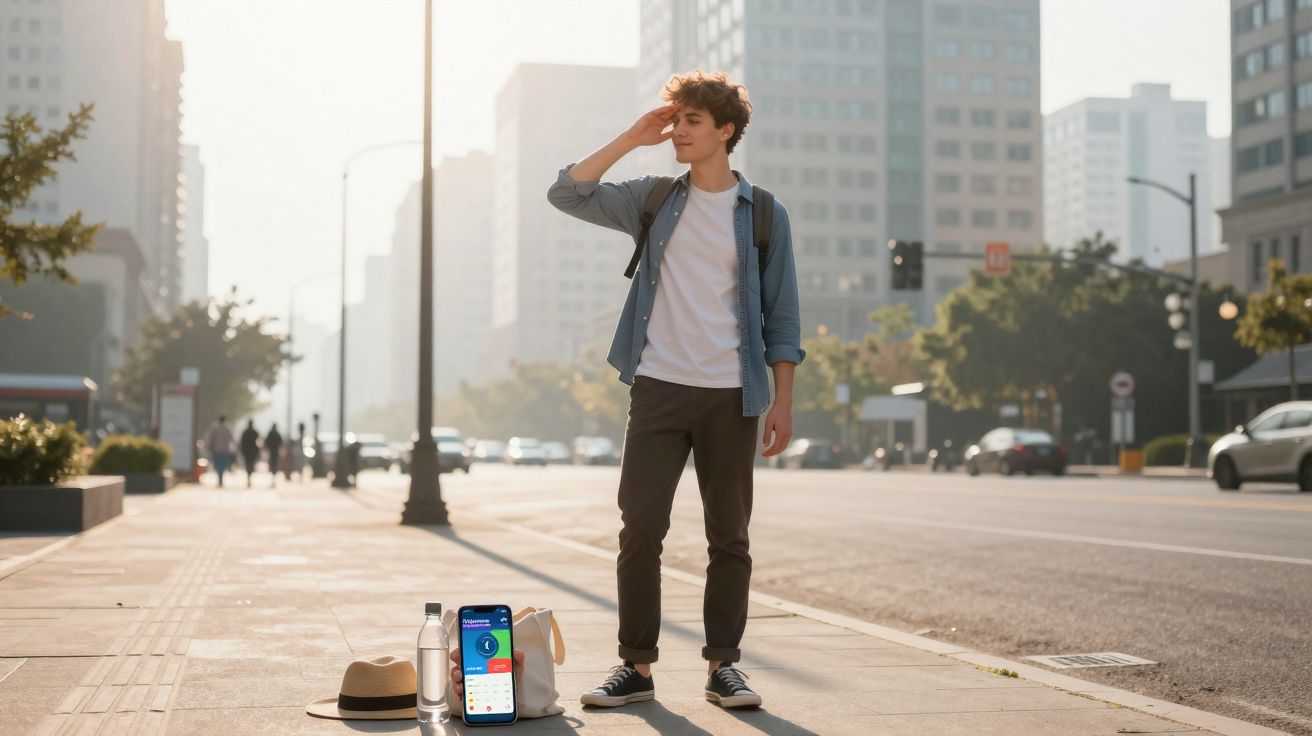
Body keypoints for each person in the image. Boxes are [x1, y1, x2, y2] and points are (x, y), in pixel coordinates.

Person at [546, 70, 803, 710]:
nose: (677, 132)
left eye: (691, 122)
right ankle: (636, 667)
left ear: (726, 131)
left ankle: (723, 669)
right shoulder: (654, 199)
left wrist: (782, 399)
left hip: (730, 395)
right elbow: (567, 194)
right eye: (674, 120)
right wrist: (632, 137)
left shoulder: (765, 213)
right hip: (659, 388)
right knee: (639, 529)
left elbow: (784, 315)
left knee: (729, 537)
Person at [206, 416, 236, 488]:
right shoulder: (227, 429)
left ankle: (219, 477)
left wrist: (210, 447)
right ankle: (221, 477)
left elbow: (211, 439)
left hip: (216, 450)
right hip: (225, 450)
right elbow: (231, 439)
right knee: (223, 465)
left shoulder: (215, 429)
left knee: (217, 465)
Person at [240, 420, 260, 488]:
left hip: (246, 451)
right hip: (253, 451)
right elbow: (258, 443)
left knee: (247, 464)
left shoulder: (245, 432)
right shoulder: (255, 432)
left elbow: (242, 442)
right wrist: (257, 451)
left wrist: (242, 450)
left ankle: (248, 476)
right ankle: (249, 476)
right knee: (251, 464)